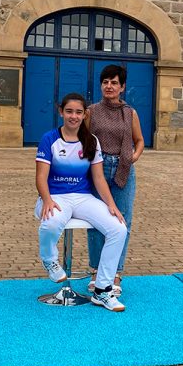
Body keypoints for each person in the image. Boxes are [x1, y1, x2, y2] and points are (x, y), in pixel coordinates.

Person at [35, 93, 128, 312]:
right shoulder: (49, 138)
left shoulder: (91, 141)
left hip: (82, 197)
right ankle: (50, 260)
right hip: (55, 196)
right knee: (50, 223)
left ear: (84, 114)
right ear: (61, 112)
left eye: (78, 112)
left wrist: (111, 205)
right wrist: (47, 199)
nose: (73, 116)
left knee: (118, 229)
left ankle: (103, 290)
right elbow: (40, 177)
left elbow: (97, 178)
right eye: (69, 111)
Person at [85, 65, 144, 296]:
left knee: (122, 221)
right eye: (105, 82)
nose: (109, 86)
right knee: (95, 222)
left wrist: (133, 157)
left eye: (114, 82)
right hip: (97, 169)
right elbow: (84, 141)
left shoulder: (130, 113)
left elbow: (139, 140)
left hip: (123, 169)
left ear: (122, 87)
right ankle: (95, 272)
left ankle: (115, 274)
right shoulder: (91, 112)